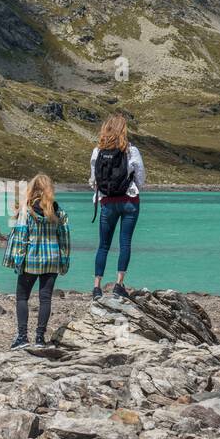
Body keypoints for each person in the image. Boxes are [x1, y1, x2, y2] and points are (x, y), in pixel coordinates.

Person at [2, 174, 71, 349]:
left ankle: (23, 337)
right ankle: (40, 339)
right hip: (52, 259)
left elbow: (20, 238)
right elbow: (64, 238)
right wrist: (64, 261)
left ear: (32, 189)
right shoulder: (58, 210)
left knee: (22, 297)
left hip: (31, 260)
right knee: (45, 299)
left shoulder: (27, 210)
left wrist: (16, 261)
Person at [90, 113, 145, 300]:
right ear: (124, 130)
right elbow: (140, 178)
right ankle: (118, 284)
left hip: (107, 202)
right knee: (125, 243)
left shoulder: (97, 152)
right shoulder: (131, 151)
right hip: (129, 201)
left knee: (103, 245)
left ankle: (97, 287)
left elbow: (93, 180)